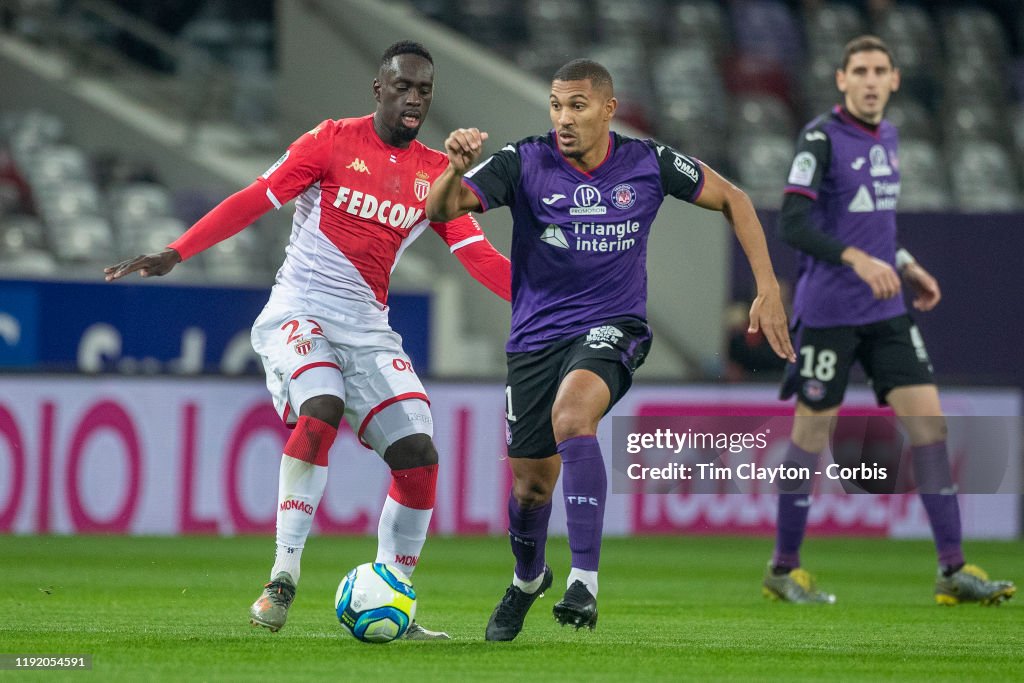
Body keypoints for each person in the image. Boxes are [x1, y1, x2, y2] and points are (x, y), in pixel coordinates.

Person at [105, 40, 512, 638]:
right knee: (319, 409)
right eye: (402, 86)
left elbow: (479, 257)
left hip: (368, 329)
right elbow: (254, 198)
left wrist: (548, 304)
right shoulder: (330, 141)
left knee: (419, 460)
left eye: (424, 90)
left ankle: (394, 594)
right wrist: (178, 250)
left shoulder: (435, 175)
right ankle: (282, 577)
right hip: (301, 312)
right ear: (379, 89)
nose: (413, 99)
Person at [426, 58, 794, 641]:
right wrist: (453, 169)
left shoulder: (647, 163)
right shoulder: (524, 161)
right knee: (529, 487)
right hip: (535, 341)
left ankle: (585, 582)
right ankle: (527, 579)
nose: (563, 118)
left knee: (574, 416)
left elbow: (735, 200)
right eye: (555, 105)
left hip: (613, 328)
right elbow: (441, 210)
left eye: (576, 105)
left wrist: (768, 288)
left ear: (607, 109)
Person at [763, 35, 1015, 605]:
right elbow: (793, 225)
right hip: (829, 313)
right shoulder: (820, 139)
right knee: (810, 436)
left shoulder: (892, 137)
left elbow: (871, 225)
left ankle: (953, 570)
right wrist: (857, 260)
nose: (872, 80)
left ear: (896, 80)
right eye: (861, 70)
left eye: (881, 70)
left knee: (930, 428)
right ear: (842, 79)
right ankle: (783, 568)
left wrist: (904, 263)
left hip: (886, 312)